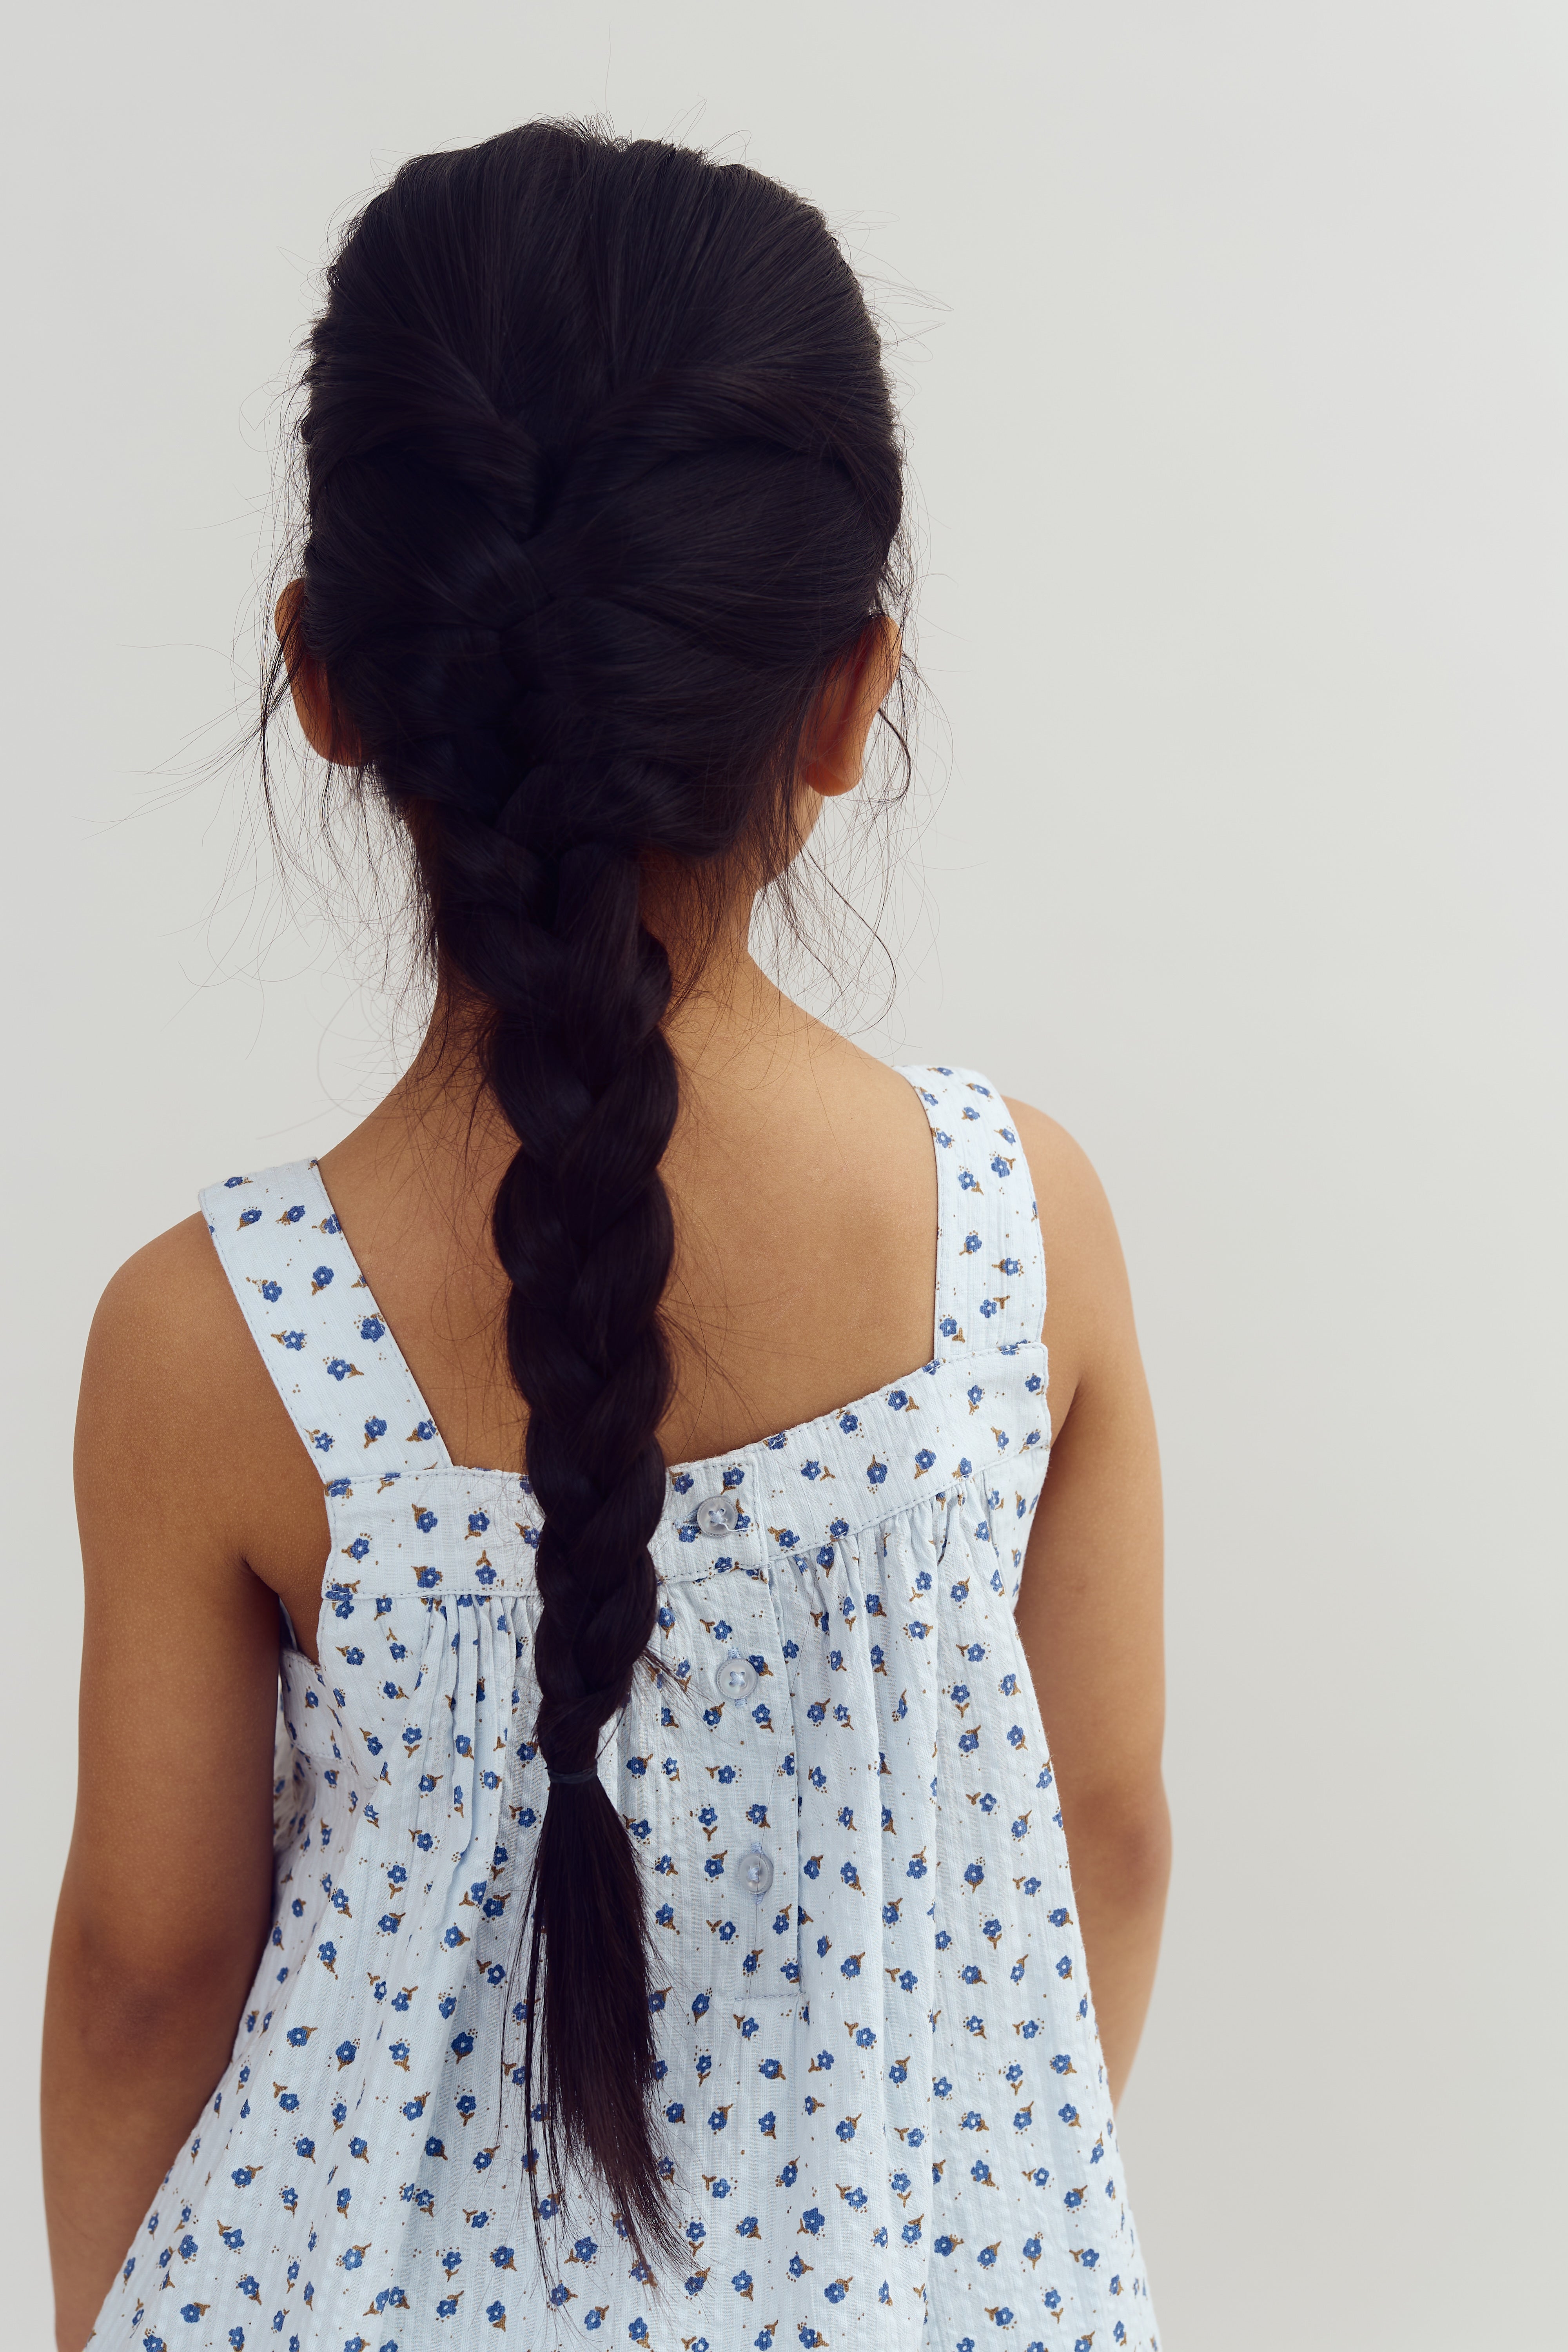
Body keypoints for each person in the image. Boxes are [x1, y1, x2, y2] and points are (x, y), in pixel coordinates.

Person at [42, 122, 1170, 2352]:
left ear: (330, 679)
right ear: (849, 700)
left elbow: (147, 1971)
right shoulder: (1018, 1233)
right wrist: (951, 2216)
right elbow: (1106, 1834)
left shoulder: (211, 1339)